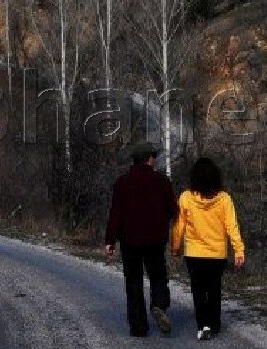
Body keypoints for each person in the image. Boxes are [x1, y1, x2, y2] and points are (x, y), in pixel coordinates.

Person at [104, 141, 177, 337]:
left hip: (130, 241)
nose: (155, 159)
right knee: (158, 275)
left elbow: (115, 214)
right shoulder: (162, 181)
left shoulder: (122, 182)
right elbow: (173, 210)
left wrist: (109, 240)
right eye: (154, 156)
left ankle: (138, 327)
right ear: (148, 159)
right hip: (155, 239)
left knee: (133, 282)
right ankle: (159, 304)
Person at [171, 157, 245, 341]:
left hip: (194, 254)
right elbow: (232, 226)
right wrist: (239, 250)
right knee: (214, 289)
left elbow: (179, 226)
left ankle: (202, 324)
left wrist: (175, 247)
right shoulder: (224, 199)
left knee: (198, 290)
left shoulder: (186, 197)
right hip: (217, 254)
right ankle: (214, 324)